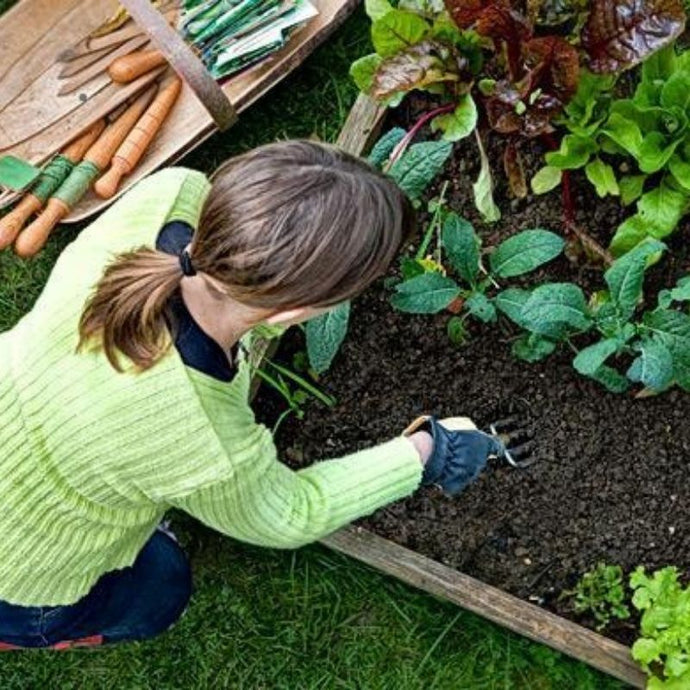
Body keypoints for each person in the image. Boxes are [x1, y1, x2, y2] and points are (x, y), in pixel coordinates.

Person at [0, 141, 503, 649]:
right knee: (160, 587)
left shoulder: (169, 193)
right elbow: (291, 513)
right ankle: (43, 633)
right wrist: (425, 453)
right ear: (289, 315)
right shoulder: (199, 434)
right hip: (19, 567)